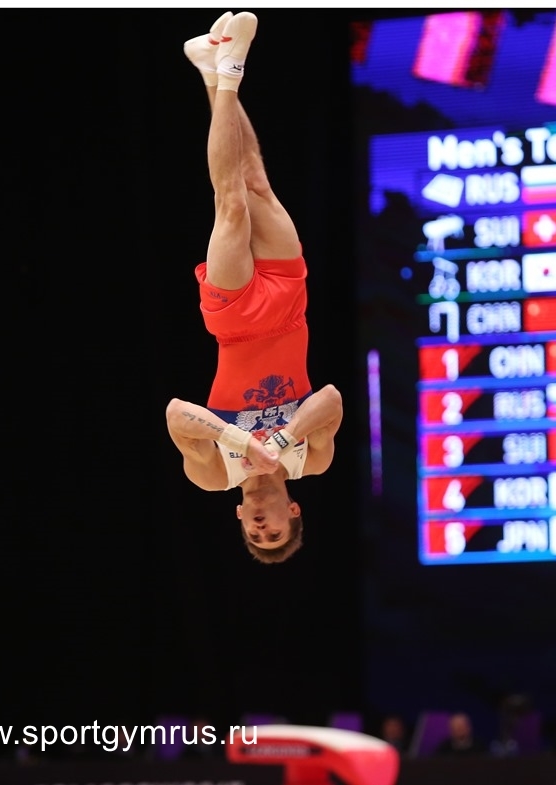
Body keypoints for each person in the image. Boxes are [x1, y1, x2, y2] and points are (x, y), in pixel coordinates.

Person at [165, 11, 343, 564]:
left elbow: (176, 413)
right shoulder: (310, 462)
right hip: (290, 307)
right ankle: (209, 68)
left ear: (240, 518)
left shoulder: (214, 475)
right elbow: (331, 400)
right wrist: (282, 442)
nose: (264, 528)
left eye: (256, 535)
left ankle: (230, 71)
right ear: (294, 511)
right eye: (276, 533)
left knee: (232, 205)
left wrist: (242, 443)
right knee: (257, 184)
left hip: (236, 322)